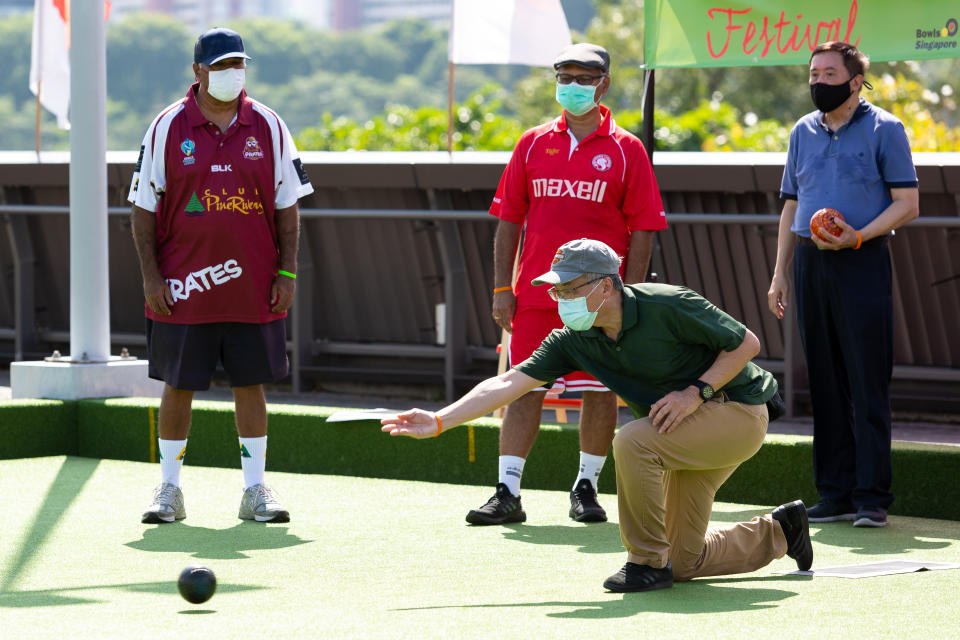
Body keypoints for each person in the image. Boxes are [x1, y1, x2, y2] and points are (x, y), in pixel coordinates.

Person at [384, 239, 809, 593]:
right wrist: (440, 420)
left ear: (605, 287)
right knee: (684, 560)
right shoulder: (573, 339)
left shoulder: (669, 303)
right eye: (556, 290)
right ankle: (780, 531)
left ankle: (644, 563)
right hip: (676, 430)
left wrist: (694, 393)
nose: (561, 298)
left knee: (632, 440)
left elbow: (747, 344)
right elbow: (507, 383)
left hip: (737, 412)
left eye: (569, 288)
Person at [128, 27, 314, 524]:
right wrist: (151, 278)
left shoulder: (270, 125)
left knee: (251, 383)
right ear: (198, 72)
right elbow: (143, 209)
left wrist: (287, 272)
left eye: (238, 64)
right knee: (178, 384)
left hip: (253, 283)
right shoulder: (167, 126)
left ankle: (255, 490)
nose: (233, 73)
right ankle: (168, 489)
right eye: (221, 65)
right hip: (184, 286)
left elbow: (287, 206)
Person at [482, 43, 666, 526]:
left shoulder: (628, 149)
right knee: (522, 387)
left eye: (585, 77)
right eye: (565, 75)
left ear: (604, 84)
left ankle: (586, 487)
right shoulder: (531, 142)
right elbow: (508, 220)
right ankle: (507, 491)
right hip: (537, 292)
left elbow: (643, 227)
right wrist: (503, 288)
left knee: (600, 390)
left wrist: (631, 295)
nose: (574, 85)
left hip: (600, 297)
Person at [767, 41, 919, 528]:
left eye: (830, 74)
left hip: (862, 259)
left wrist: (858, 236)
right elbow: (792, 204)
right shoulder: (801, 131)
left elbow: (907, 203)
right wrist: (779, 275)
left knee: (867, 379)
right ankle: (834, 493)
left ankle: (872, 496)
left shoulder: (886, 129)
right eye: (813, 73)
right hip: (811, 265)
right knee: (825, 380)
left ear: (855, 82)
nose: (818, 82)